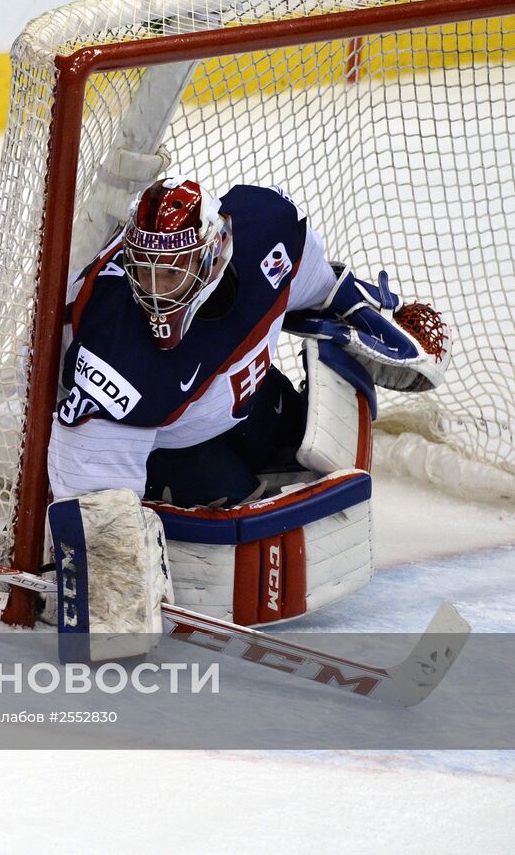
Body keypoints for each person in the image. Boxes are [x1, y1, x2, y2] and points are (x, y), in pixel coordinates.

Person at [44, 177, 443, 658]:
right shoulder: (119, 352)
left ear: (213, 254)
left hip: (236, 397)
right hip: (162, 443)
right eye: (142, 270)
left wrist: (352, 302)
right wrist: (111, 601)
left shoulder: (266, 231)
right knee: (246, 511)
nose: (153, 291)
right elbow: (90, 489)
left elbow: (312, 281)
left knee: (302, 445)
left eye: (170, 272)